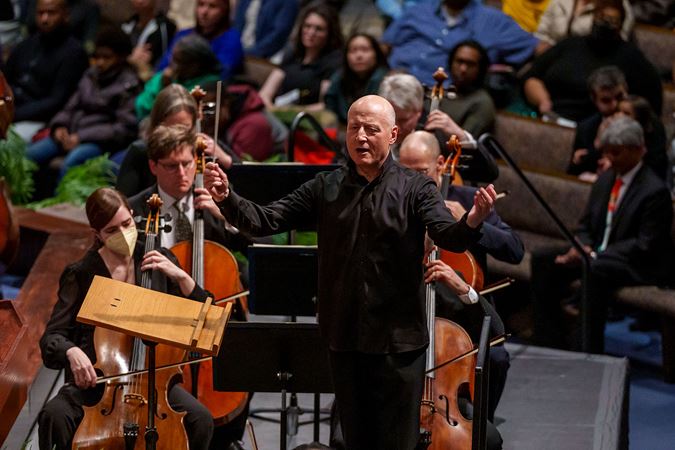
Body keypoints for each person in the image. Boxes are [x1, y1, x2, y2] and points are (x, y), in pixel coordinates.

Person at [204, 94, 498, 448]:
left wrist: (473, 219)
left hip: (398, 344)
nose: (360, 136)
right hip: (344, 338)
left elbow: (448, 235)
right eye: (354, 128)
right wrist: (227, 198)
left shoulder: (416, 187)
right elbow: (266, 220)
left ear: (392, 135)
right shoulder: (326, 186)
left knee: (397, 444)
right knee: (353, 442)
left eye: (371, 129)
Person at [37, 187, 214, 450]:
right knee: (54, 415)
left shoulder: (158, 260)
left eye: (126, 224)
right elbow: (52, 337)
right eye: (111, 230)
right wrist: (72, 351)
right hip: (99, 385)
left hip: (153, 380)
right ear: (97, 234)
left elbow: (206, 320)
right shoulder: (82, 273)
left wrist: (181, 277)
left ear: (133, 216)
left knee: (200, 419)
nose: (122, 234)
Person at [399, 130, 522, 421]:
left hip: (463, 314)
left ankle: (477, 425)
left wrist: (472, 223)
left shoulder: (466, 199)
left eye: (421, 172)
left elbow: (515, 250)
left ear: (441, 164)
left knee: (496, 357)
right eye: (406, 172)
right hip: (408, 313)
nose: (413, 181)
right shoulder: (393, 200)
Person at [531, 116, 674, 352]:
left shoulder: (655, 191)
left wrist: (594, 255)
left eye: (615, 153)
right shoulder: (606, 179)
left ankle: (586, 350)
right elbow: (586, 225)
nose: (609, 158)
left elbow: (645, 245)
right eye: (606, 152)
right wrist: (583, 246)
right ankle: (548, 342)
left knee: (595, 269)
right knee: (543, 259)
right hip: (599, 255)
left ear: (637, 150)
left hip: (637, 265)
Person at [25, 26, 141, 181]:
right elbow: (70, 107)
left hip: (100, 142)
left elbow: (123, 128)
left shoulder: (129, 85)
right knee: (29, 155)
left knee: (72, 162)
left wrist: (81, 137)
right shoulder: (90, 75)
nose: (100, 62)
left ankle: (60, 197)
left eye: (107, 57)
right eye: (97, 56)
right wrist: (59, 127)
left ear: (121, 57)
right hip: (70, 134)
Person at [523, 0, 662, 122]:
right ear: (593, 17)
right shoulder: (570, 45)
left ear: (621, 25)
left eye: (612, 21)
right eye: (601, 18)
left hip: (599, 128)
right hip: (552, 117)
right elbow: (531, 77)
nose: (605, 24)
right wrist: (543, 101)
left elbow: (652, 102)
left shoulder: (632, 58)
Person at [381, 0, 538, 87]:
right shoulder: (418, 10)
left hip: (438, 93)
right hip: (391, 79)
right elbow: (385, 44)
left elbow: (537, 48)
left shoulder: (493, 21)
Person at [117, 84, 234, 198]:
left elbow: (240, 193)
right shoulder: (141, 151)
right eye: (172, 128)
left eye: (184, 128)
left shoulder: (206, 146)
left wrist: (226, 160)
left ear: (195, 123)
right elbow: (124, 201)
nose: (178, 135)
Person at [4, 0, 88, 142]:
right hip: (10, 107)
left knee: (7, 143)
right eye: (40, 13)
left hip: (39, 119)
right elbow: (6, 79)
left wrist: (13, 114)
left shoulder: (74, 53)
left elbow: (56, 101)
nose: (44, 19)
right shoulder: (27, 44)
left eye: (51, 13)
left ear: (66, 15)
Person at [258, 1, 342, 110]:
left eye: (319, 29)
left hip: (306, 116)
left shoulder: (333, 63)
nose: (311, 32)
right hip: (275, 112)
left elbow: (324, 105)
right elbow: (265, 93)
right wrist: (271, 109)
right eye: (307, 26)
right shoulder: (292, 54)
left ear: (330, 34)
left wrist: (290, 112)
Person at [135, 34, 222, 120]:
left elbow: (178, 116)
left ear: (194, 65)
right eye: (172, 58)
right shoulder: (164, 76)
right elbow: (141, 106)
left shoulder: (208, 86)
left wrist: (167, 88)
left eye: (178, 61)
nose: (171, 64)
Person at [157, 0, 243, 82]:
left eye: (212, 6)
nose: (204, 12)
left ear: (224, 11)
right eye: (201, 4)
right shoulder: (183, 35)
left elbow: (221, 74)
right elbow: (161, 67)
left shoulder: (231, 39)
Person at [325, 32, 389, 125]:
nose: (359, 55)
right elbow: (330, 108)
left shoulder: (385, 80)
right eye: (353, 51)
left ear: (376, 54)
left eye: (365, 50)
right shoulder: (338, 78)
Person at [534, 0, 634, 54]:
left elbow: (618, 46)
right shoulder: (560, 1)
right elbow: (542, 31)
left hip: (591, 61)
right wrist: (543, 44)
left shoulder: (616, 5)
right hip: (552, 56)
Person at [444, 40, 496, 138]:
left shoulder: (482, 103)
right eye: (459, 61)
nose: (463, 69)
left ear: (480, 69)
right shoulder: (441, 92)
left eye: (470, 64)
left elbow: (466, 141)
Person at [121, 0, 177, 82]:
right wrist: (131, 58)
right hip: (125, 78)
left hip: (152, 79)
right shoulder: (125, 26)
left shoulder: (166, 27)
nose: (140, 1)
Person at [233, 0, 299, 59]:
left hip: (265, 58)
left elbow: (279, 34)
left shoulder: (288, 2)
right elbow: (237, 24)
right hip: (238, 51)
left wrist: (249, 52)